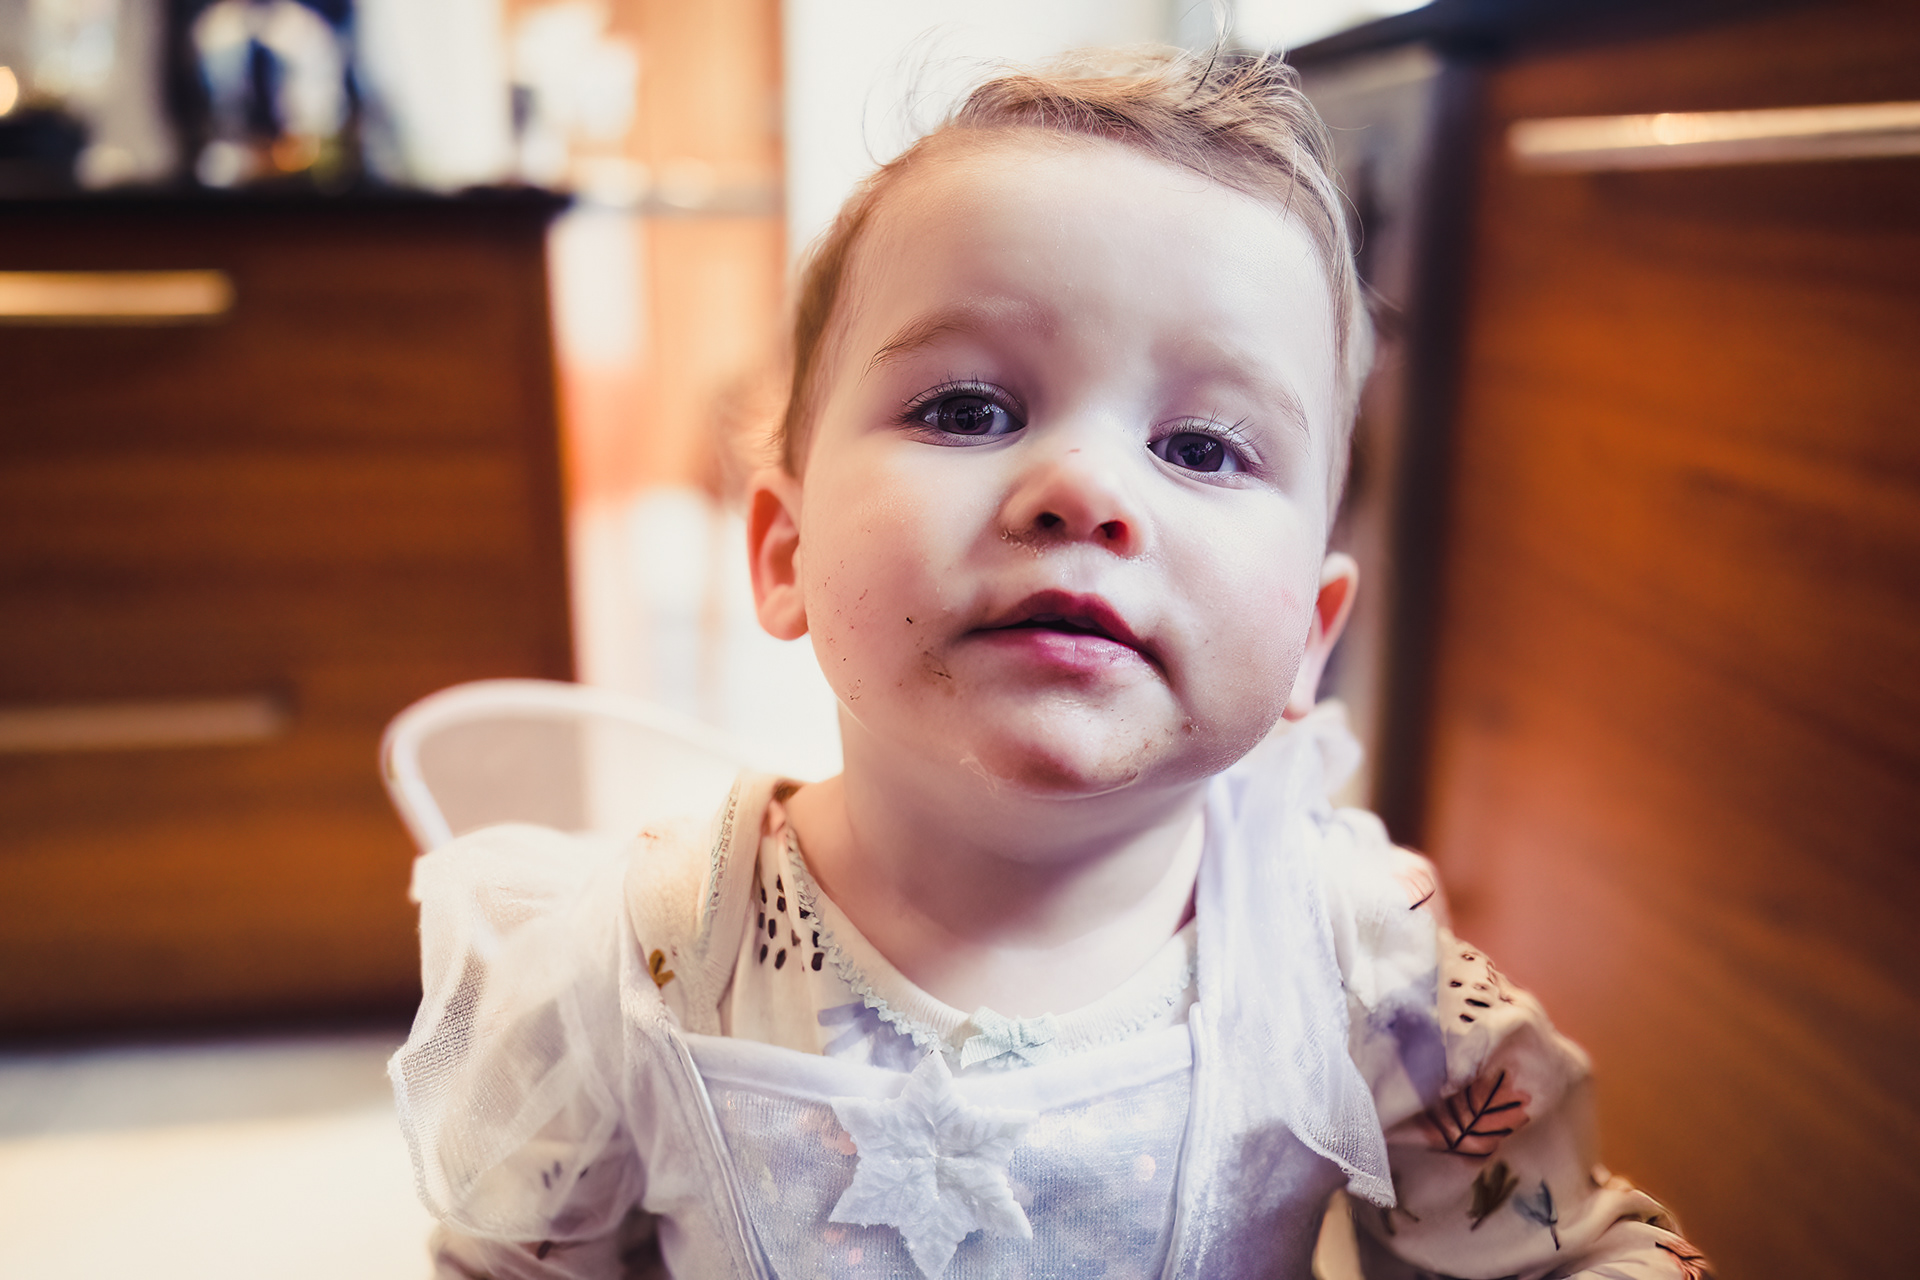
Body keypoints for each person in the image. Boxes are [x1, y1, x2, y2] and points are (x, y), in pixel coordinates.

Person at [391, 48, 1713, 1280]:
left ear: (1311, 637)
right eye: (969, 408)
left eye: (1202, 448)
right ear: (786, 553)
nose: (1083, 487)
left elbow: (1560, 1250)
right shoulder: (641, 960)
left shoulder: (1359, 968)